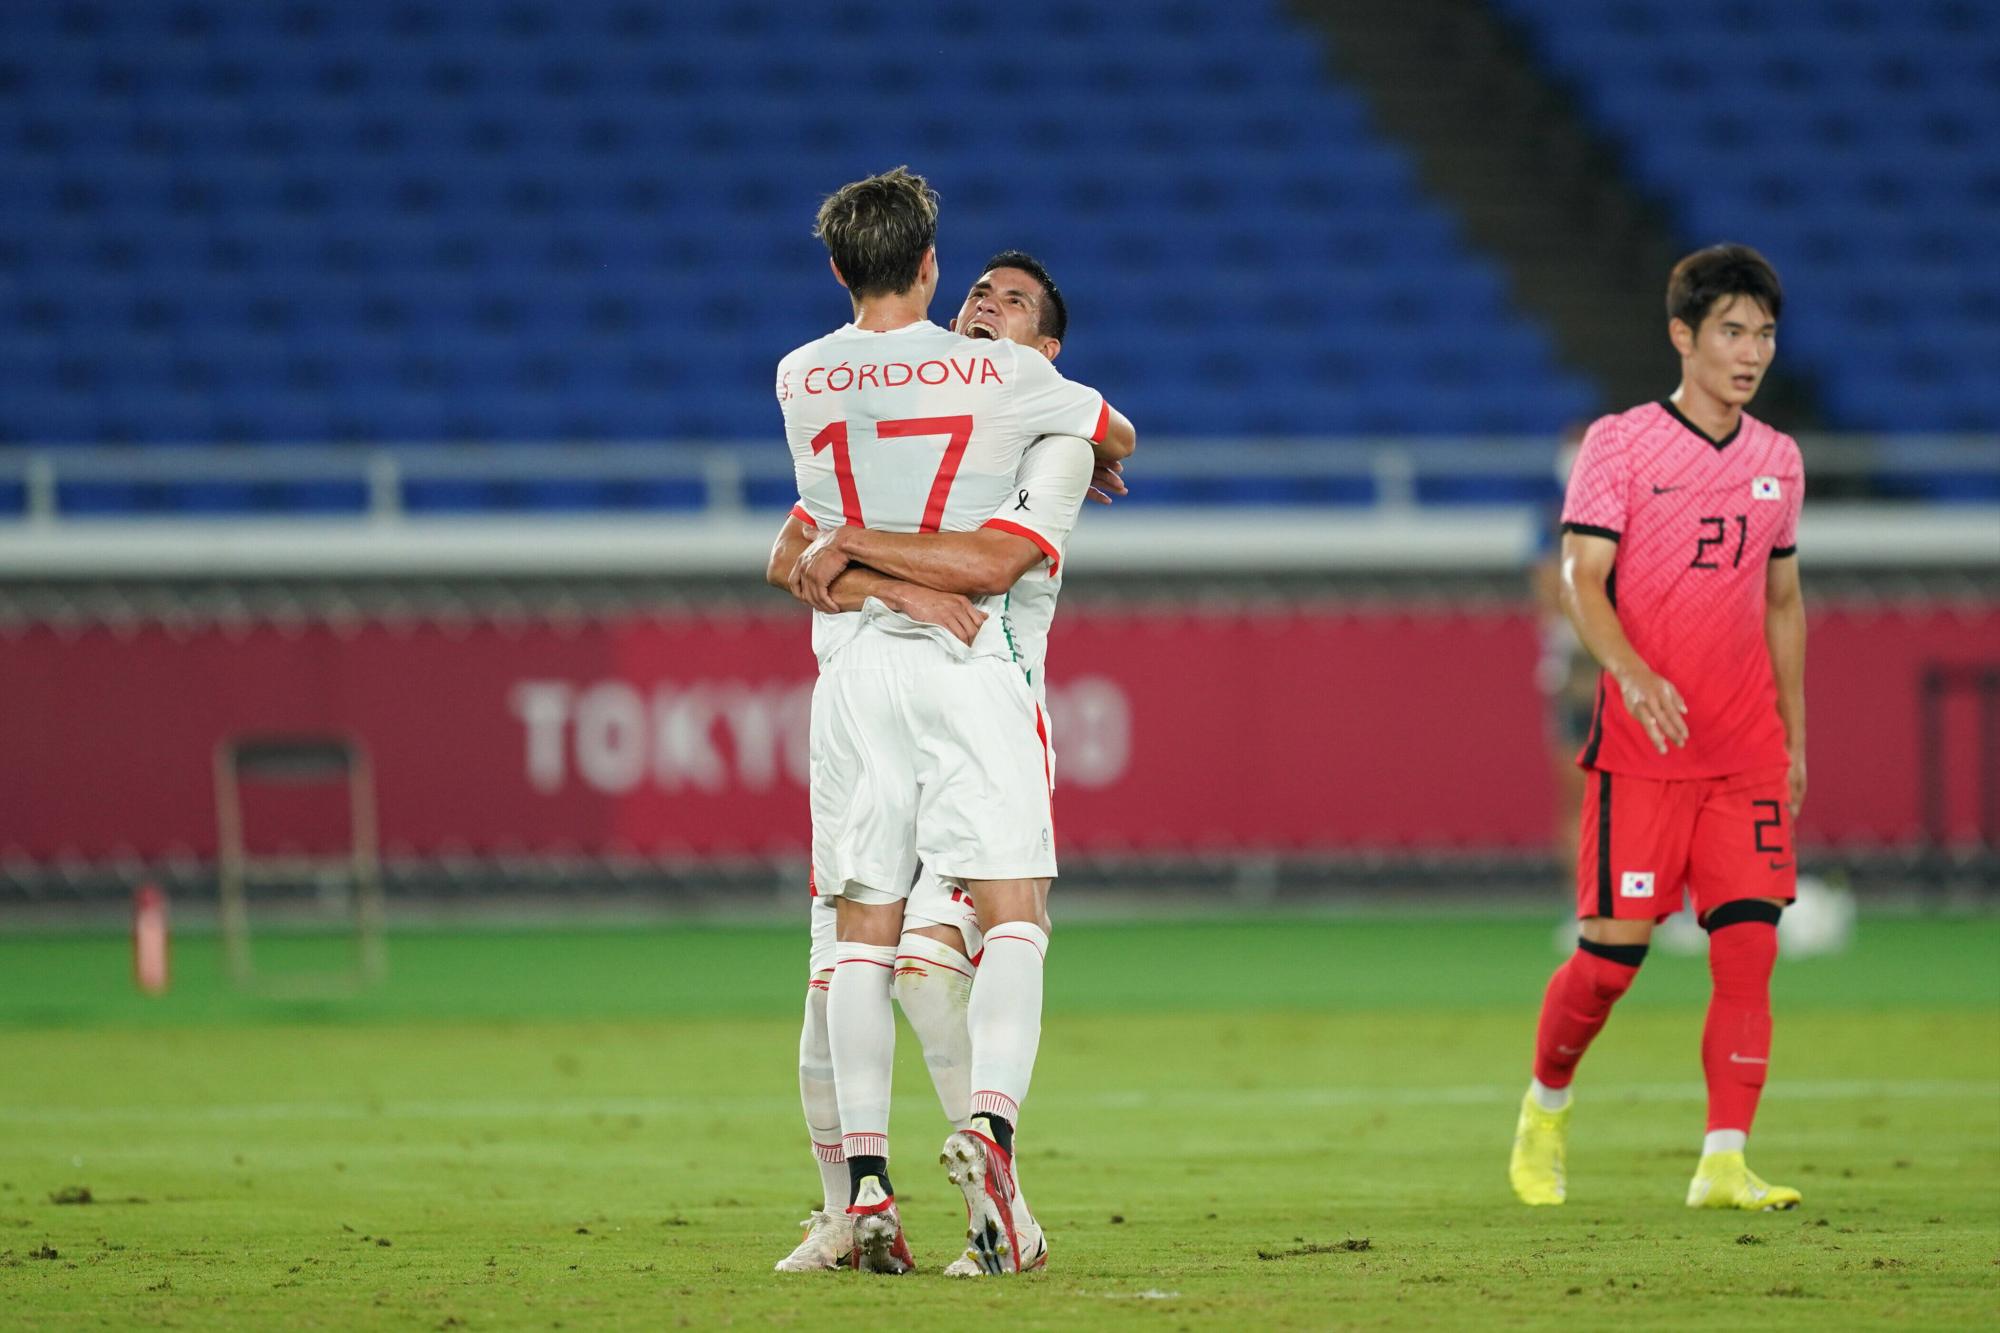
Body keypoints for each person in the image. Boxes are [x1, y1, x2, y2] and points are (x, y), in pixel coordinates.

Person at [774, 168, 1134, 1275]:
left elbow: (970, 558)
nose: (989, 305)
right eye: (979, 287)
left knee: (880, 956)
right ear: (931, 271)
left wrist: (856, 557)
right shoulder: (1004, 391)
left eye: (1016, 302)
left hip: (928, 687)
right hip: (937, 680)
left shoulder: (806, 375)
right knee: (847, 974)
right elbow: (796, 556)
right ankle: (918, 1177)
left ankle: (930, 1190)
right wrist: (888, 580)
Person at [1509, 244, 1808, 1212]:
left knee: (1748, 946)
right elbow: (1578, 581)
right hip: (1641, 755)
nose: (1748, 351)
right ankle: (1543, 1106)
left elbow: (1782, 602)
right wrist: (1628, 671)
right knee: (1607, 960)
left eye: (1761, 333)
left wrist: (1793, 734)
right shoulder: (1620, 444)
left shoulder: (1778, 459)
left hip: (1744, 755)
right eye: (1729, 330)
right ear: (1681, 336)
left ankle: (1722, 1157)